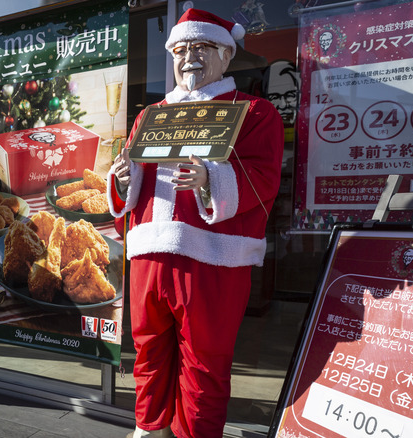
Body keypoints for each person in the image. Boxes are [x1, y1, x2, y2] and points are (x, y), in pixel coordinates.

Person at [107, 9, 283, 438]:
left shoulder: (255, 113)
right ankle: (149, 429)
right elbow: (130, 179)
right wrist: (121, 180)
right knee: (147, 355)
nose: (189, 58)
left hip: (211, 259)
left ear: (226, 54)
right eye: (180, 49)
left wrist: (211, 179)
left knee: (205, 363)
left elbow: (263, 178)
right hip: (149, 252)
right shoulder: (150, 115)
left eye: (201, 47)